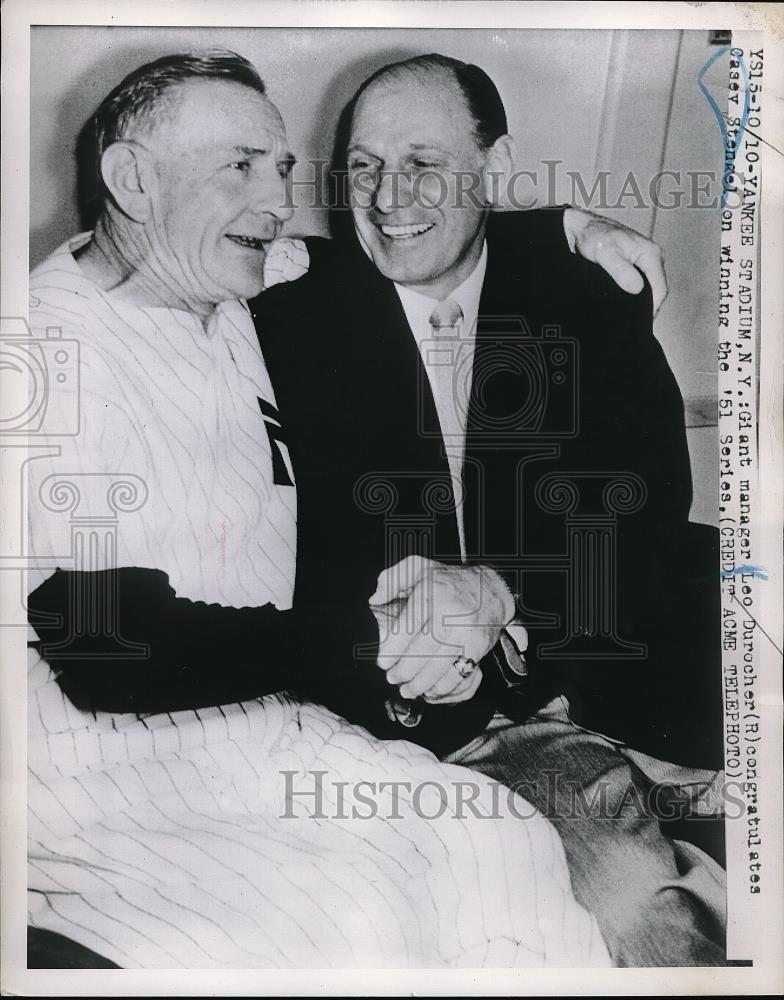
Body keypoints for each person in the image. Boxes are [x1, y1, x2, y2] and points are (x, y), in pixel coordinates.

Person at [24, 50, 661, 970]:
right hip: (104, 771)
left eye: (281, 168)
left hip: (263, 728)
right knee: (362, 917)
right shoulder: (42, 347)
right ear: (132, 181)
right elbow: (97, 645)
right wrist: (376, 637)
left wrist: (568, 224)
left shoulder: (230, 288)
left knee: (498, 845)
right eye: (239, 165)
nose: (277, 200)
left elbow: (436, 236)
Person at [252, 53, 726, 966]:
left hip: (636, 671)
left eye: (424, 162)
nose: (389, 196)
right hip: (457, 724)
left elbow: (650, 508)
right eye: (362, 164)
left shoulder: (587, 291)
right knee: (630, 916)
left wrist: (504, 596)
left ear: (494, 170)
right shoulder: (289, 311)